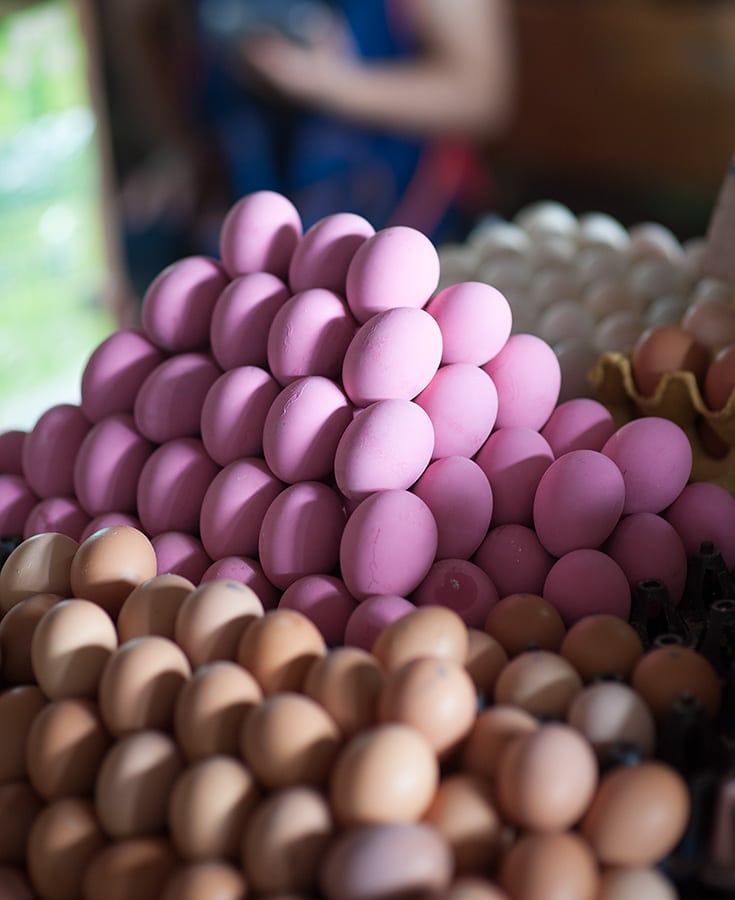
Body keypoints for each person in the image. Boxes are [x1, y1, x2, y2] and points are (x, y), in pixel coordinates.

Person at [99, 0, 516, 314]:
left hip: (407, 223)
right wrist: (179, 146)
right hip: (240, 214)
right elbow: (138, 21)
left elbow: (479, 93)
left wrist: (332, 85)